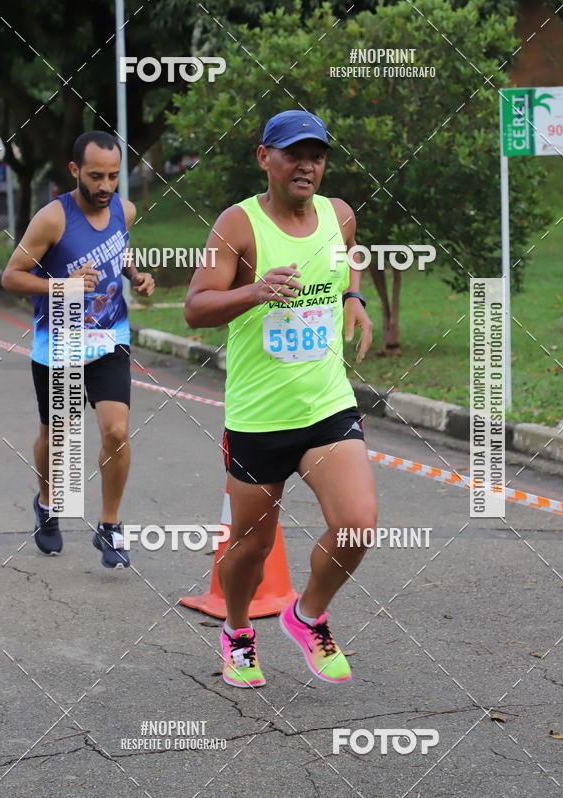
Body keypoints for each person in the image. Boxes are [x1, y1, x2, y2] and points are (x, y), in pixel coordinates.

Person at [185, 110, 377, 687]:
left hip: (327, 406)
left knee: (357, 525)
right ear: (264, 157)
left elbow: (347, 257)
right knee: (250, 547)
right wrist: (253, 290)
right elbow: (195, 308)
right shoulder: (237, 226)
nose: (307, 165)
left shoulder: (337, 214)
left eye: (316, 155)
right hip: (259, 417)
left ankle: (306, 616)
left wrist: (351, 298)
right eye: (294, 153)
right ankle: (239, 632)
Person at [1, 130, 154, 568]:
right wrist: (61, 286)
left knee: (117, 432)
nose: (105, 186)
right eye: (95, 176)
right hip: (61, 343)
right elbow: (12, 277)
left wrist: (136, 276)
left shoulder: (124, 210)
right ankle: (48, 503)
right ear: (74, 171)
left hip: (109, 338)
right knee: (60, 440)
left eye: (112, 176)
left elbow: (119, 254)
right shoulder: (53, 218)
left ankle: (109, 526)